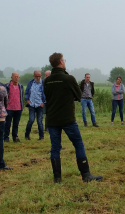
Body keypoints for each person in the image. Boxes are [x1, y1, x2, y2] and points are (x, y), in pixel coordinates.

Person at [44, 52, 102, 183]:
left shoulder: (47, 80)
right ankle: (86, 175)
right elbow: (78, 94)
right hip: (67, 119)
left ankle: (57, 178)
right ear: (61, 62)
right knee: (78, 144)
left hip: (52, 119)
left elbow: (47, 96)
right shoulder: (69, 79)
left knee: (55, 147)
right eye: (63, 60)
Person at [24, 70, 46, 140]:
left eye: (39, 76)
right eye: (36, 76)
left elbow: (47, 94)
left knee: (39, 121)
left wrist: (44, 102)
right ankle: (27, 136)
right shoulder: (30, 83)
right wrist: (27, 100)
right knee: (31, 120)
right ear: (34, 76)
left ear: (41, 76)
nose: (38, 77)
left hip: (40, 105)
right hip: (32, 105)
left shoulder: (44, 84)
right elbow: (27, 92)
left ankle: (41, 137)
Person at [4, 72, 24, 142]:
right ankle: (6, 137)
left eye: (18, 76)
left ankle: (15, 137)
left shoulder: (20, 86)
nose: (16, 78)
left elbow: (21, 96)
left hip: (18, 108)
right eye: (15, 76)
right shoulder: (7, 86)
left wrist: (22, 106)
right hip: (9, 108)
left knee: (16, 124)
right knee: (7, 124)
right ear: (11, 77)